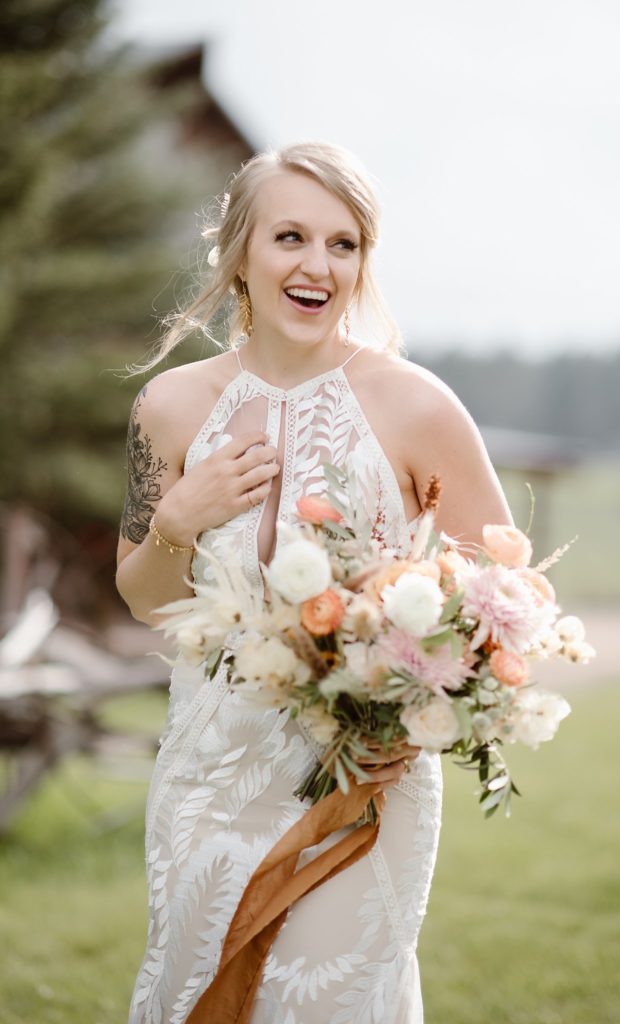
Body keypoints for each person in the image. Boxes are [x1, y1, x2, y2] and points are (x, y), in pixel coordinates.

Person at [117, 141, 511, 1024]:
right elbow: (143, 596)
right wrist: (180, 518)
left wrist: (412, 687)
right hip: (206, 776)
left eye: (345, 244)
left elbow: (502, 593)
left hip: (360, 783)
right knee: (195, 994)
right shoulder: (169, 408)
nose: (317, 266)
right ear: (242, 253)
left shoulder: (417, 406)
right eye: (291, 236)